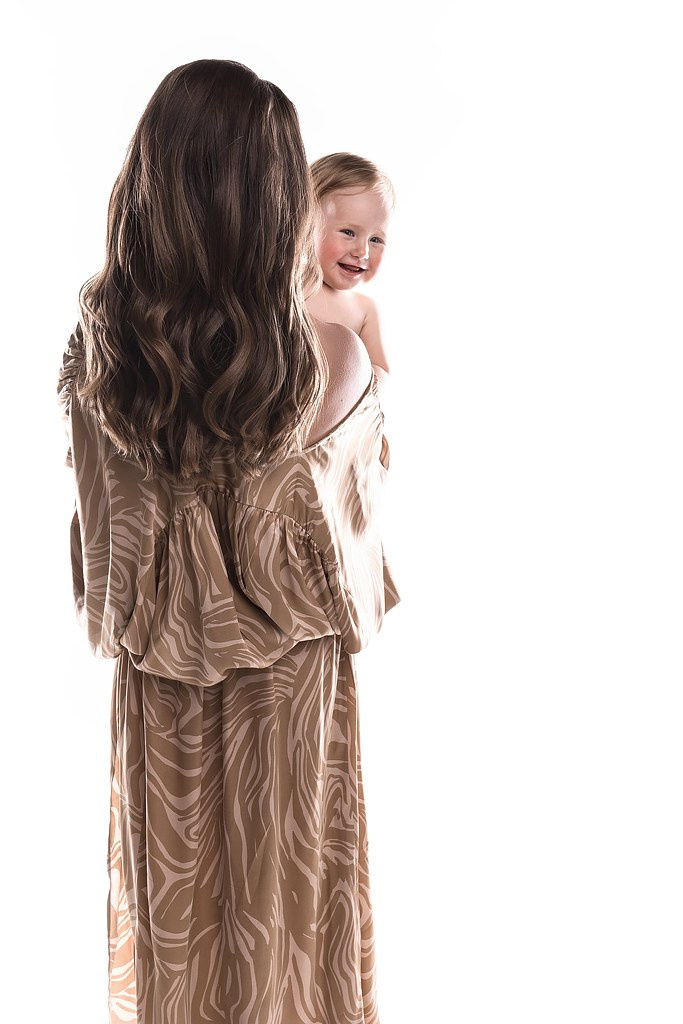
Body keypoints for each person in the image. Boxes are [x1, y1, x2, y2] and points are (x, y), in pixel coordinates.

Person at [58, 60, 398, 1024]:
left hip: (159, 693)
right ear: (276, 196)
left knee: (180, 936)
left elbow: (105, 559)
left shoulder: (100, 356)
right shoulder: (323, 352)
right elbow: (343, 554)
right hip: (288, 696)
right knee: (287, 941)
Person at [306, 152, 395, 387]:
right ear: (306, 225)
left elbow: (381, 370)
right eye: (349, 232)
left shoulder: (364, 310)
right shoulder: (288, 287)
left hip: (338, 405)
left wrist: (364, 382)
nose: (362, 252)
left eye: (375, 240)